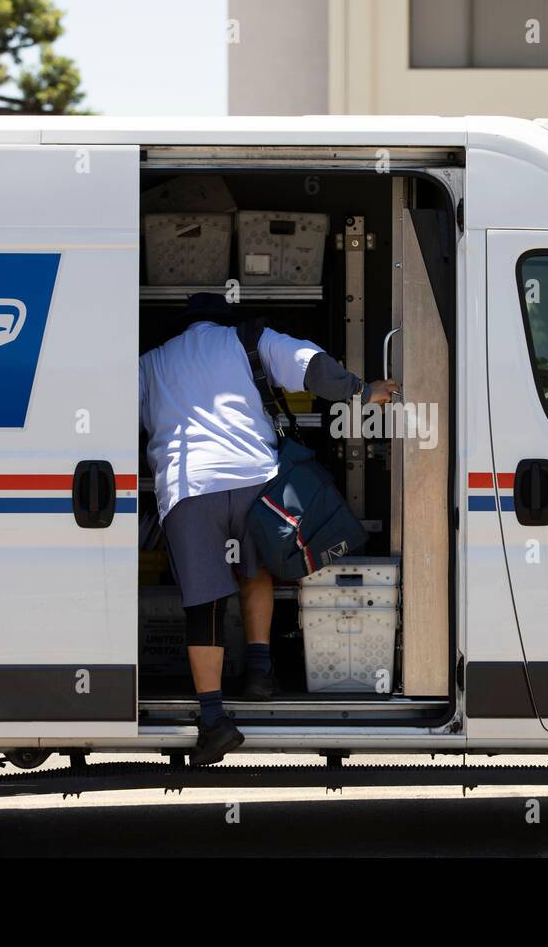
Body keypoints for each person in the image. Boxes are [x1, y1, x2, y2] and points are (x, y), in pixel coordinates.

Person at [139, 298, 396, 765]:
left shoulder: (153, 360)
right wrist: (363, 390)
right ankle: (259, 669)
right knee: (256, 568)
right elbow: (311, 367)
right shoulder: (248, 339)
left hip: (188, 485)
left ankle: (214, 721)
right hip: (254, 475)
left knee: (206, 602)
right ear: (223, 319)